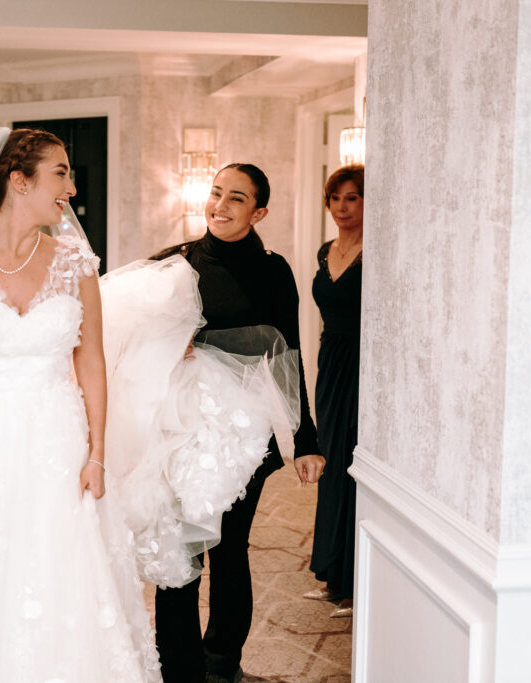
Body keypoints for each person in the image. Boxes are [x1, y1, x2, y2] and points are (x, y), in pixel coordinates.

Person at [0, 127, 160, 682]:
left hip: (56, 441)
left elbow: (91, 364)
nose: (69, 185)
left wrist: (96, 452)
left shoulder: (75, 264)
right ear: (20, 181)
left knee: (62, 569)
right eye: (60, 173)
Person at [150, 163, 325, 683]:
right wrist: (165, 345)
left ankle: (222, 662)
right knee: (179, 549)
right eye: (216, 194)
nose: (220, 206)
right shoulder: (173, 263)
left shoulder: (274, 271)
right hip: (182, 427)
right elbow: (128, 340)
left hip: (246, 433)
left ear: (259, 211)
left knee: (229, 550)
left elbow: (288, 353)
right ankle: (178, 669)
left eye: (236, 199)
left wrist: (306, 438)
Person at [302, 163, 364, 620]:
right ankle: (329, 572)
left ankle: (352, 582)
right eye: (335, 198)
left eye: (353, 198)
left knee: (350, 464)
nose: (341, 207)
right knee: (330, 458)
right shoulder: (326, 249)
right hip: (330, 362)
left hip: (363, 366)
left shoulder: (375, 249)